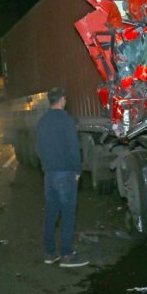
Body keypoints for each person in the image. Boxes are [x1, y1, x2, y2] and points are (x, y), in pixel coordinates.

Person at [35, 87, 89, 268]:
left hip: (49, 174)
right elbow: (73, 148)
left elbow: (39, 149)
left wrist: (46, 167)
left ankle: (50, 253)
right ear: (63, 100)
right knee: (67, 215)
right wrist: (77, 170)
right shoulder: (66, 121)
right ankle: (66, 254)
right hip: (66, 173)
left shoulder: (42, 122)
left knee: (51, 214)